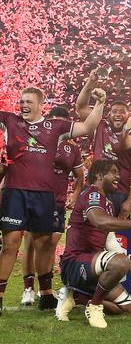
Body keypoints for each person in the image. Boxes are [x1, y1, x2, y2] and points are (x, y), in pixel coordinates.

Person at [0, 86, 106, 314]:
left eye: (28, 102)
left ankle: (45, 294)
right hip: (14, 192)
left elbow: (88, 126)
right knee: (10, 244)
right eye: (21, 102)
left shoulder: (56, 127)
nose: (23, 105)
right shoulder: (9, 121)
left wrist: (100, 103)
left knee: (43, 244)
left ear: (41, 106)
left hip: (43, 195)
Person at [57, 160, 131, 328]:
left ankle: (75, 297)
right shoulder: (92, 194)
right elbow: (99, 221)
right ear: (99, 175)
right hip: (76, 261)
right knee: (119, 262)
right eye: (114, 172)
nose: (119, 177)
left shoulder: (107, 203)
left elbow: (110, 241)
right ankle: (94, 306)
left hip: (93, 265)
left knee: (125, 307)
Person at [21, 107, 84, 307]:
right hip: (36, 197)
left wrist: (74, 194)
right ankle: (28, 288)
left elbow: (80, 176)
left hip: (57, 200)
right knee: (31, 242)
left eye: (61, 122)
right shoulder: (37, 139)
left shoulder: (72, 148)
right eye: (53, 121)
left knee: (50, 244)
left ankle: (44, 288)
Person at [76, 68, 131, 218]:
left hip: (120, 194)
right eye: (114, 111)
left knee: (116, 238)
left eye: (122, 112)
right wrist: (90, 82)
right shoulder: (101, 126)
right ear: (109, 114)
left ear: (128, 116)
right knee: (92, 234)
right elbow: (80, 108)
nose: (118, 115)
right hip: (95, 189)